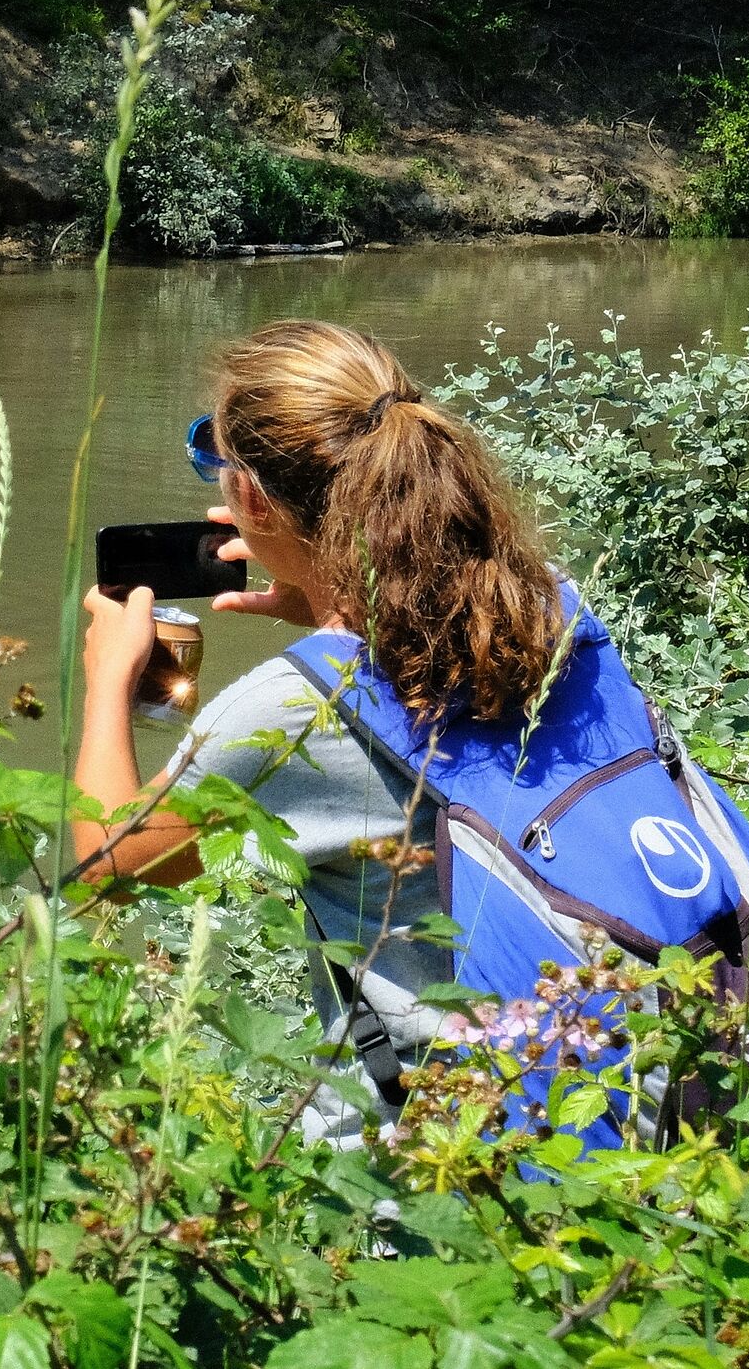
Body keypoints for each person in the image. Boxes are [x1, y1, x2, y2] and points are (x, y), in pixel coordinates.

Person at [68, 319, 568, 1141]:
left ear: (254, 499)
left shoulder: (295, 707)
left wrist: (107, 679)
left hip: (449, 1150)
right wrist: (334, 602)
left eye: (213, 457)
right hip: (607, 1058)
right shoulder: (543, 602)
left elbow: (107, 863)